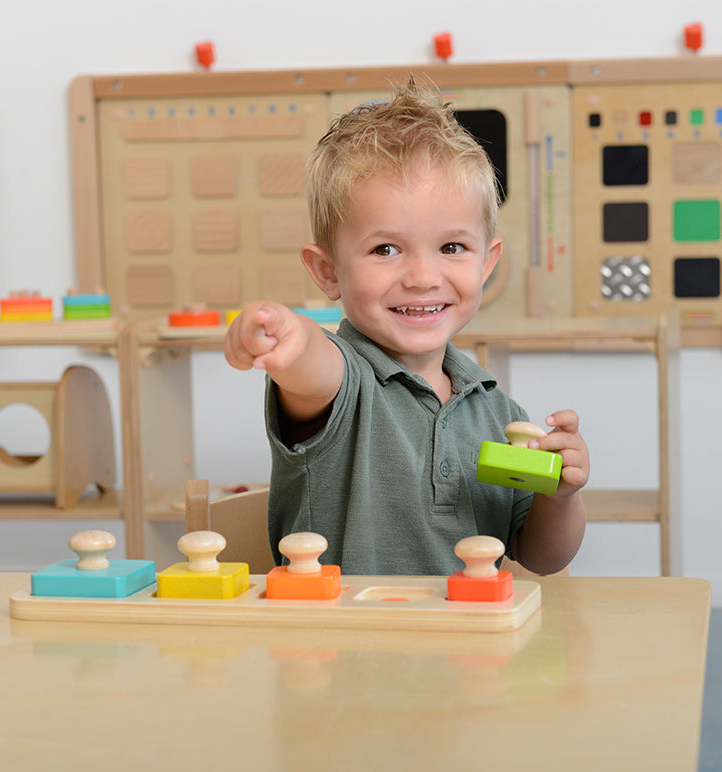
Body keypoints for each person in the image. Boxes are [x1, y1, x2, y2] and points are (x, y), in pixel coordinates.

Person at [225, 79, 589, 576]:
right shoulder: (343, 380)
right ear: (328, 271)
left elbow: (541, 558)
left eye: (453, 248)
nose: (422, 277)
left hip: (467, 649)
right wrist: (290, 333)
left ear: (487, 262)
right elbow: (314, 367)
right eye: (385, 249)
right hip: (345, 648)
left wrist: (561, 496)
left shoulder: (499, 413)